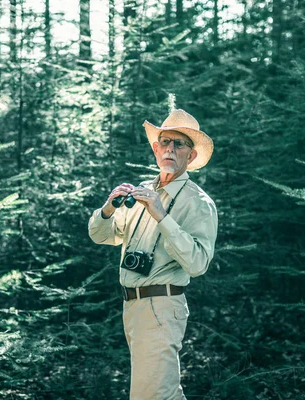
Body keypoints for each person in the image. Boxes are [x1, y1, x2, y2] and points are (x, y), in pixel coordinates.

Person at [88, 109, 218, 400]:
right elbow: (101, 235)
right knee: (160, 393)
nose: (170, 148)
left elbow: (198, 263)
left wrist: (162, 216)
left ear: (191, 157)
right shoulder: (143, 190)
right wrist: (108, 208)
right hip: (132, 307)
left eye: (179, 144)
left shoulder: (198, 203)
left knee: (154, 395)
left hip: (161, 305)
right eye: (165, 141)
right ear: (156, 149)